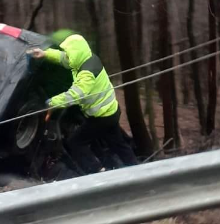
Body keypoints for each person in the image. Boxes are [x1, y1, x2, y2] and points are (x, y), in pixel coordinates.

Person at [28, 30, 139, 174]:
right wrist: (45, 54)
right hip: (111, 110)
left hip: (102, 117)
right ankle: (137, 168)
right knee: (117, 143)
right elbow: (64, 59)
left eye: (69, 52)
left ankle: (98, 171)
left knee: (76, 142)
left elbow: (75, 95)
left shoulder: (87, 73)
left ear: (76, 52)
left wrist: (53, 102)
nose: (67, 55)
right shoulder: (87, 58)